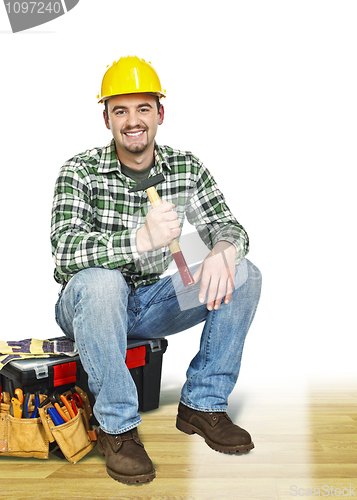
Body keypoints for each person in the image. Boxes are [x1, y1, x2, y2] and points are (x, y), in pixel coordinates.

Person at [50, 55, 262, 484]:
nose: (133, 120)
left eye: (143, 108)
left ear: (159, 114)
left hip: (150, 304)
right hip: (86, 303)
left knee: (244, 273)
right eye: (120, 110)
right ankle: (118, 428)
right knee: (102, 281)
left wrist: (222, 248)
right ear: (106, 118)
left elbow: (230, 226)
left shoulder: (184, 167)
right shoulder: (80, 171)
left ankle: (203, 404)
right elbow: (65, 250)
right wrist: (138, 241)